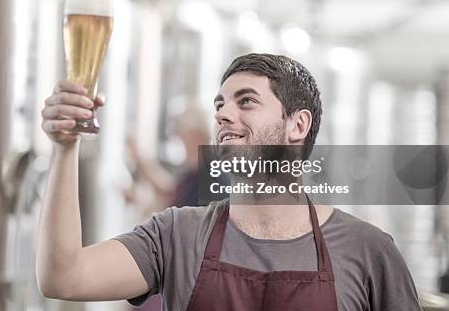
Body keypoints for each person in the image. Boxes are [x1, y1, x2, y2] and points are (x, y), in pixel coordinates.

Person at [37, 53, 422, 310]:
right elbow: (64, 278)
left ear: (297, 125)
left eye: (246, 101)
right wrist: (64, 148)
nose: (223, 115)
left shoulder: (368, 251)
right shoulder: (176, 236)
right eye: (220, 104)